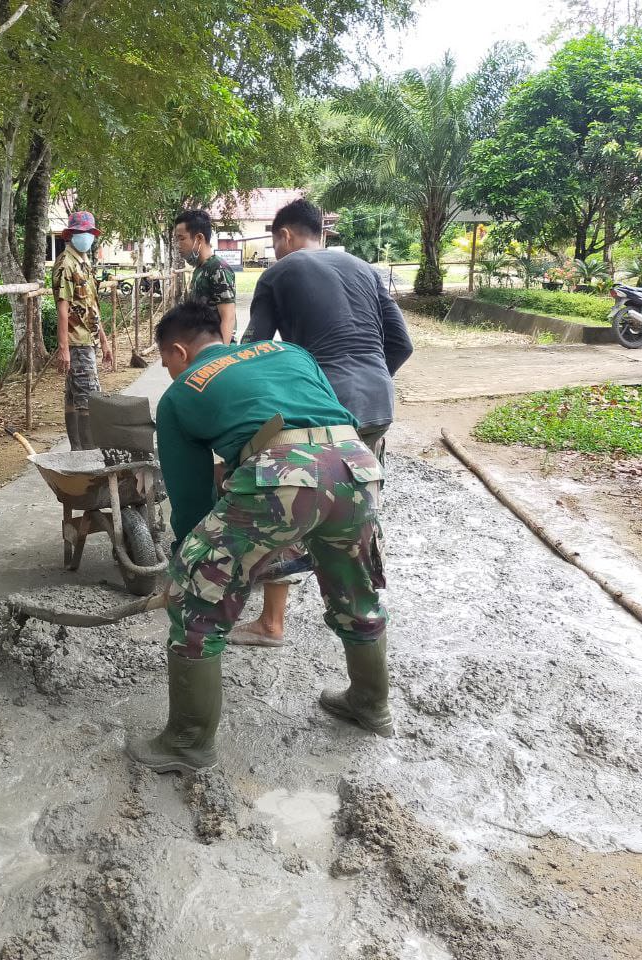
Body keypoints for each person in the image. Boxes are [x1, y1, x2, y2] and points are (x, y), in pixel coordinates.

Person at [126, 299, 391, 774]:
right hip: (357, 466)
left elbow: (188, 501)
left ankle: (187, 742)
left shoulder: (182, 392)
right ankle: (371, 705)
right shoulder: (290, 353)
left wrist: (188, 567)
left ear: (180, 352)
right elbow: (315, 416)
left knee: (196, 603)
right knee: (355, 588)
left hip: (283, 474)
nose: (167, 370)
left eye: (164, 360)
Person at [233, 198, 413, 647]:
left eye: (276, 243)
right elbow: (402, 344)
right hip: (377, 404)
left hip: (325, 409)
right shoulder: (367, 269)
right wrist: (370, 382)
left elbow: (254, 349)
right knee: (354, 507)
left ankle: (272, 623)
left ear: (285, 236)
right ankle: (362, 616)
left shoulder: (279, 272)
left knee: (292, 501)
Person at [52, 210, 113, 449]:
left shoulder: (84, 262)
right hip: (76, 343)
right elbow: (63, 309)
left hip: (88, 339)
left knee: (75, 395)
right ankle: (88, 453)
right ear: (71, 235)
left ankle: (78, 450)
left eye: (89, 232)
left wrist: (104, 340)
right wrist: (63, 348)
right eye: (81, 232)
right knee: (89, 398)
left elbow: (91, 307)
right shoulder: (66, 264)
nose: (85, 236)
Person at [172, 209, 237, 342]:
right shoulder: (200, 268)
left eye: (182, 239)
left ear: (199, 238)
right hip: (202, 348)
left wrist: (219, 356)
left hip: (216, 352)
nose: (178, 246)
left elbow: (228, 317)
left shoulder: (218, 268)